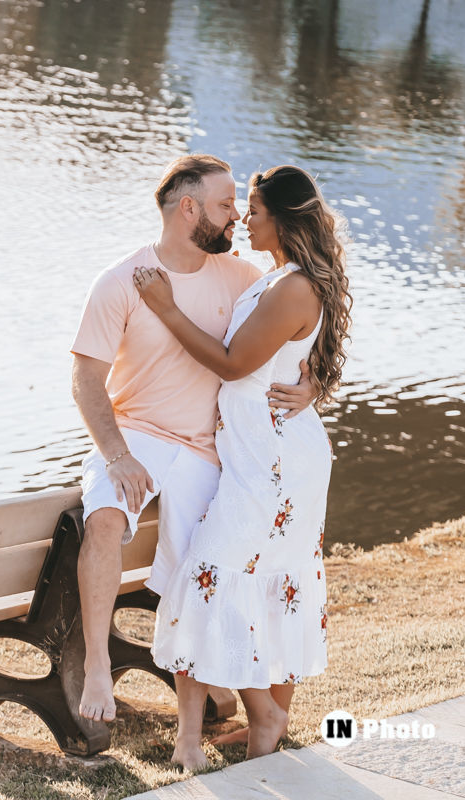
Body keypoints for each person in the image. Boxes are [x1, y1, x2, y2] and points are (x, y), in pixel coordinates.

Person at [68, 154, 317, 728]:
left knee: (207, 574)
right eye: (226, 204)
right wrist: (118, 456)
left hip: (208, 451)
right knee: (106, 516)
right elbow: (85, 379)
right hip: (135, 436)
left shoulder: (245, 281)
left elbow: (299, 336)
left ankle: (218, 692)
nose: (236, 216)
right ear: (188, 209)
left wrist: (313, 388)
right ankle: (99, 666)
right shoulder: (121, 281)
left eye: (239, 206)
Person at [135, 164, 351, 768]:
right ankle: (269, 724)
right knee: (271, 580)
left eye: (253, 210)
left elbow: (233, 365)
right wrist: (308, 385)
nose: (244, 218)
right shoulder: (284, 278)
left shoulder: (294, 287)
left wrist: (165, 306)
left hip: (274, 466)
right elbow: (301, 360)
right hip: (267, 455)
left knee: (211, 573)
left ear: (281, 219)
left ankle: (266, 711)